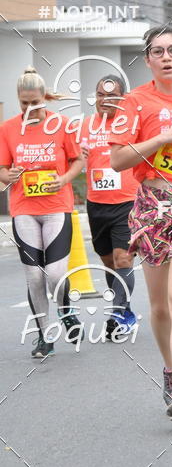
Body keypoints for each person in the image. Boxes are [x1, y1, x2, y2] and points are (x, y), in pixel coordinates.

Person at [110, 25, 172, 421]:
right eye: (158, 51)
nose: (167, 57)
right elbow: (118, 159)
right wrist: (163, 138)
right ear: (148, 59)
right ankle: (169, 369)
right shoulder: (134, 101)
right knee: (159, 306)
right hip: (152, 204)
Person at [0, 67, 84, 358]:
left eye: (35, 102)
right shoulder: (8, 129)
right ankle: (44, 335)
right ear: (18, 100)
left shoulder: (62, 125)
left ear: (44, 98)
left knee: (55, 274)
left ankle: (66, 309)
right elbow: (2, 168)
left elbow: (77, 161)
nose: (30, 108)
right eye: (24, 103)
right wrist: (5, 176)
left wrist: (63, 179)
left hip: (56, 207)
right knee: (34, 276)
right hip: (23, 208)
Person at [80, 75, 138, 337]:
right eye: (100, 95)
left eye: (112, 95)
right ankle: (122, 308)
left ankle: (117, 314)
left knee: (122, 258)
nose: (105, 101)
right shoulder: (84, 126)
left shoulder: (131, 125)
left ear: (122, 99)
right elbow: (73, 159)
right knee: (108, 263)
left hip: (127, 201)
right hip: (97, 205)